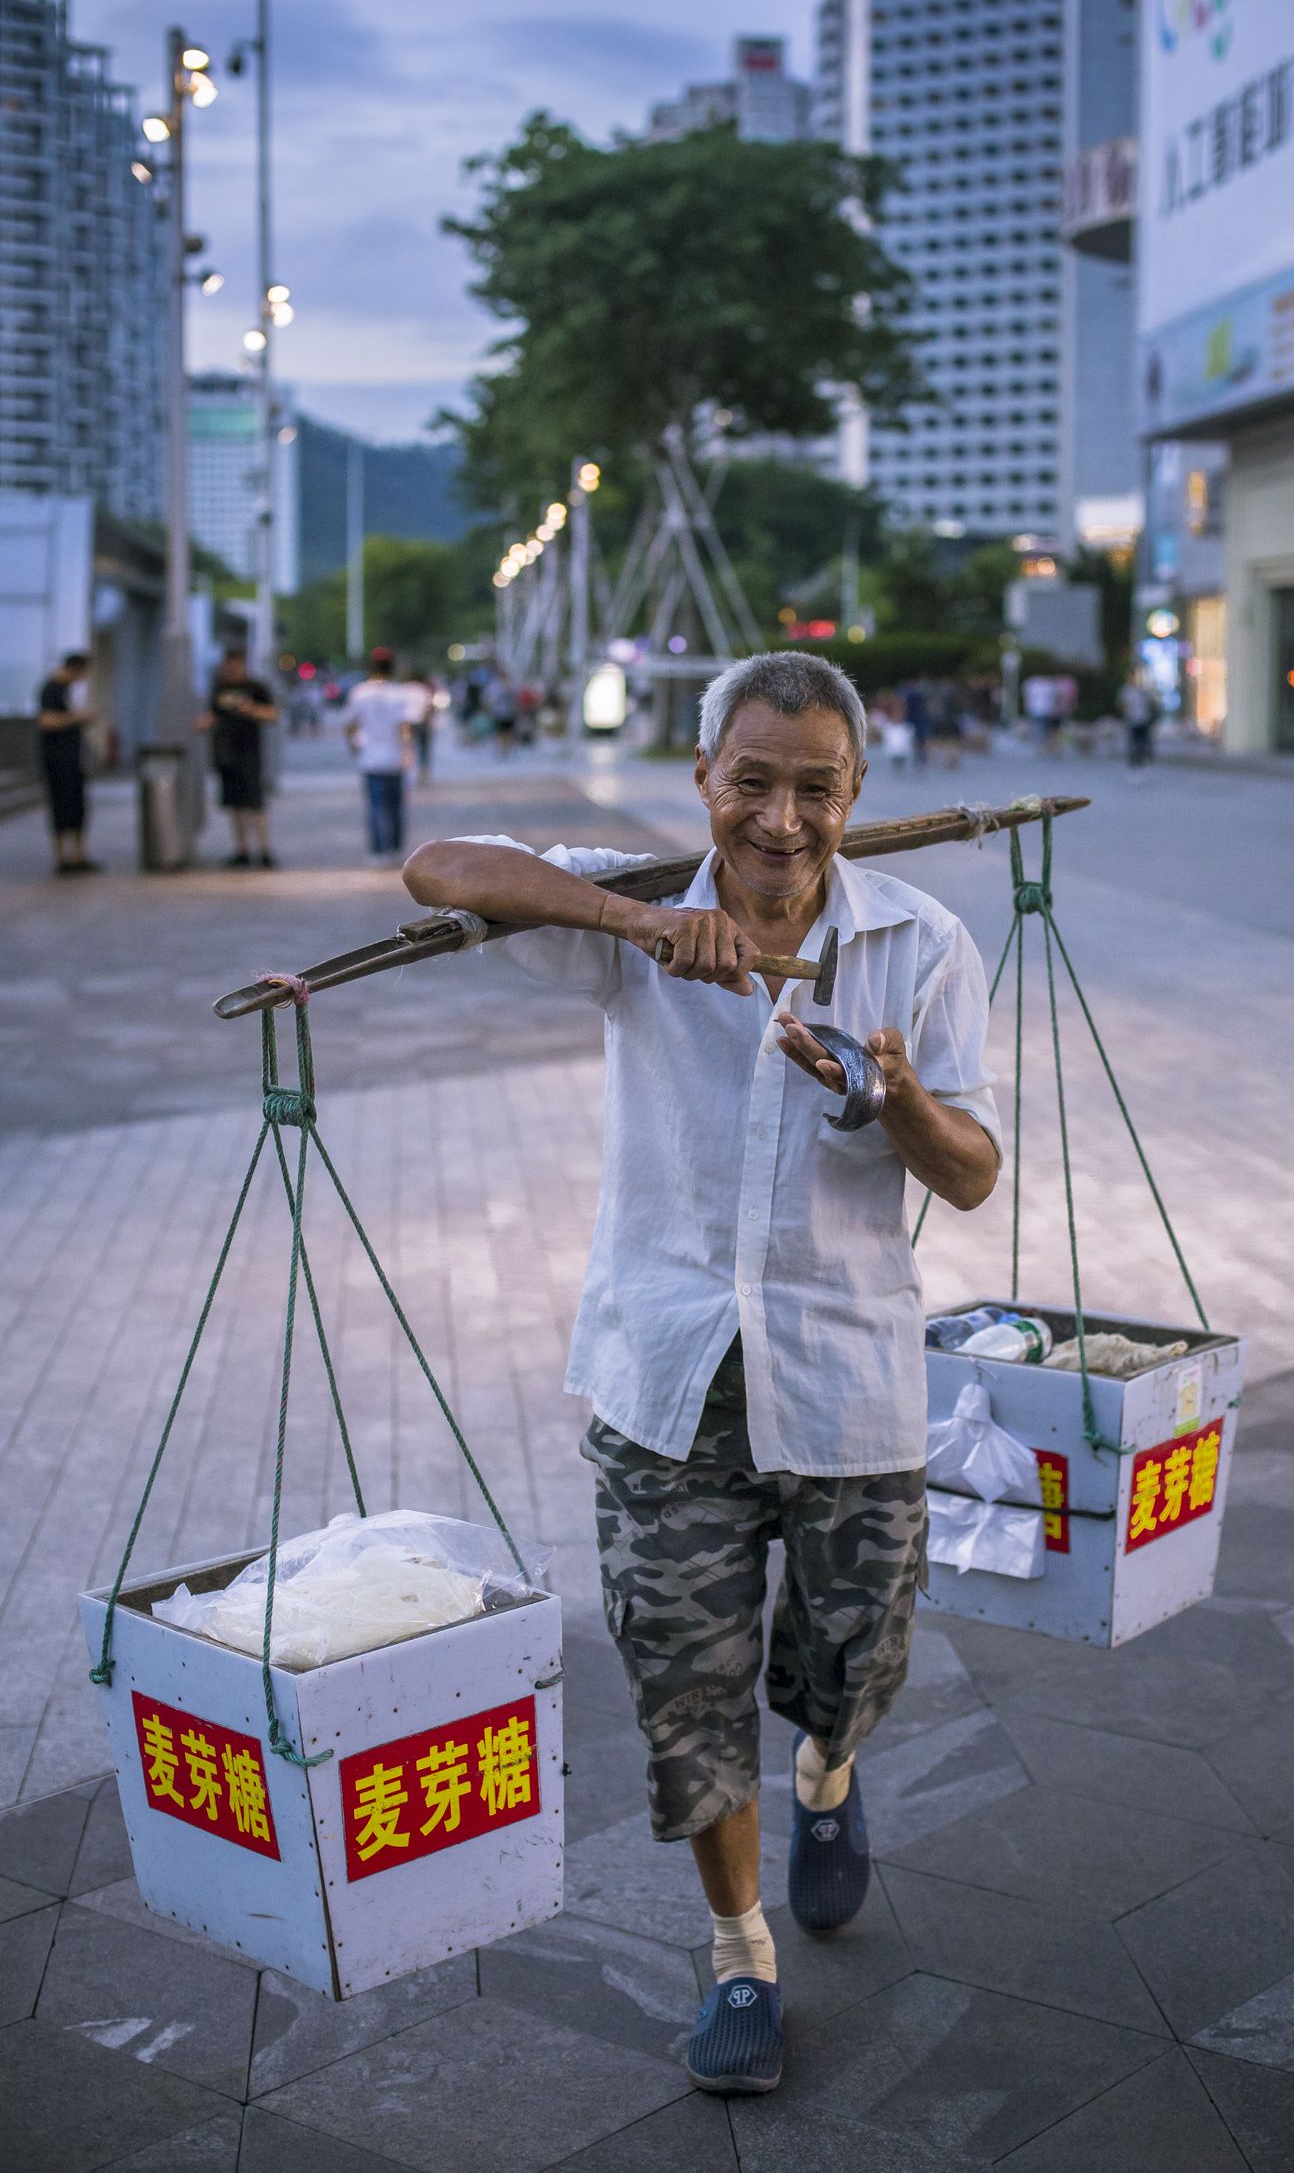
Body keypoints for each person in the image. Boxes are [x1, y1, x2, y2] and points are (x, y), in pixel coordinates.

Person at [404, 651, 1001, 2096]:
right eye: (754, 781)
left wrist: (896, 1095)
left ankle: (827, 1774)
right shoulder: (638, 905)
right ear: (704, 780)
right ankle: (741, 1951)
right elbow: (436, 868)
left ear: (856, 791)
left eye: (816, 787)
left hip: (846, 1374)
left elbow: (975, 1177)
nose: (781, 820)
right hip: (664, 1375)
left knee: (855, 1657)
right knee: (687, 1689)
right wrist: (645, 921)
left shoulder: (919, 944)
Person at [198, 646, 278, 867]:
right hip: (225, 753)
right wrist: (204, 723)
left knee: (255, 803)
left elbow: (272, 714)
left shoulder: (255, 688)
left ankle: (264, 849)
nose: (230, 669)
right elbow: (213, 714)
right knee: (234, 805)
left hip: (249, 752)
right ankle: (242, 850)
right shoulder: (219, 688)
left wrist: (250, 710)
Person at [345, 646, 419, 862]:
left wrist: (353, 746)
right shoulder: (399, 693)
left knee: (376, 807)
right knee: (396, 807)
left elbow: (350, 723)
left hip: (370, 758)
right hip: (394, 757)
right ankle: (395, 849)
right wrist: (407, 751)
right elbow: (404, 726)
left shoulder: (359, 692)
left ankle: (379, 851)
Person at [36, 651, 100, 875]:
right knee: (61, 807)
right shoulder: (51, 689)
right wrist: (77, 718)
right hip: (57, 760)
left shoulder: (65, 690)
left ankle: (77, 856)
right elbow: (46, 721)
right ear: (74, 669)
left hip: (72, 759)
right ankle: (62, 858)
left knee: (77, 807)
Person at [1118, 670, 1159, 768]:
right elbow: (1121, 703)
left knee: (1144, 739)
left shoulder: (1142, 690)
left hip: (1143, 718)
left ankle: (1144, 756)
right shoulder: (1125, 690)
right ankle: (1134, 758)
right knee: (1133, 739)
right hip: (1132, 718)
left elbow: (1150, 702)